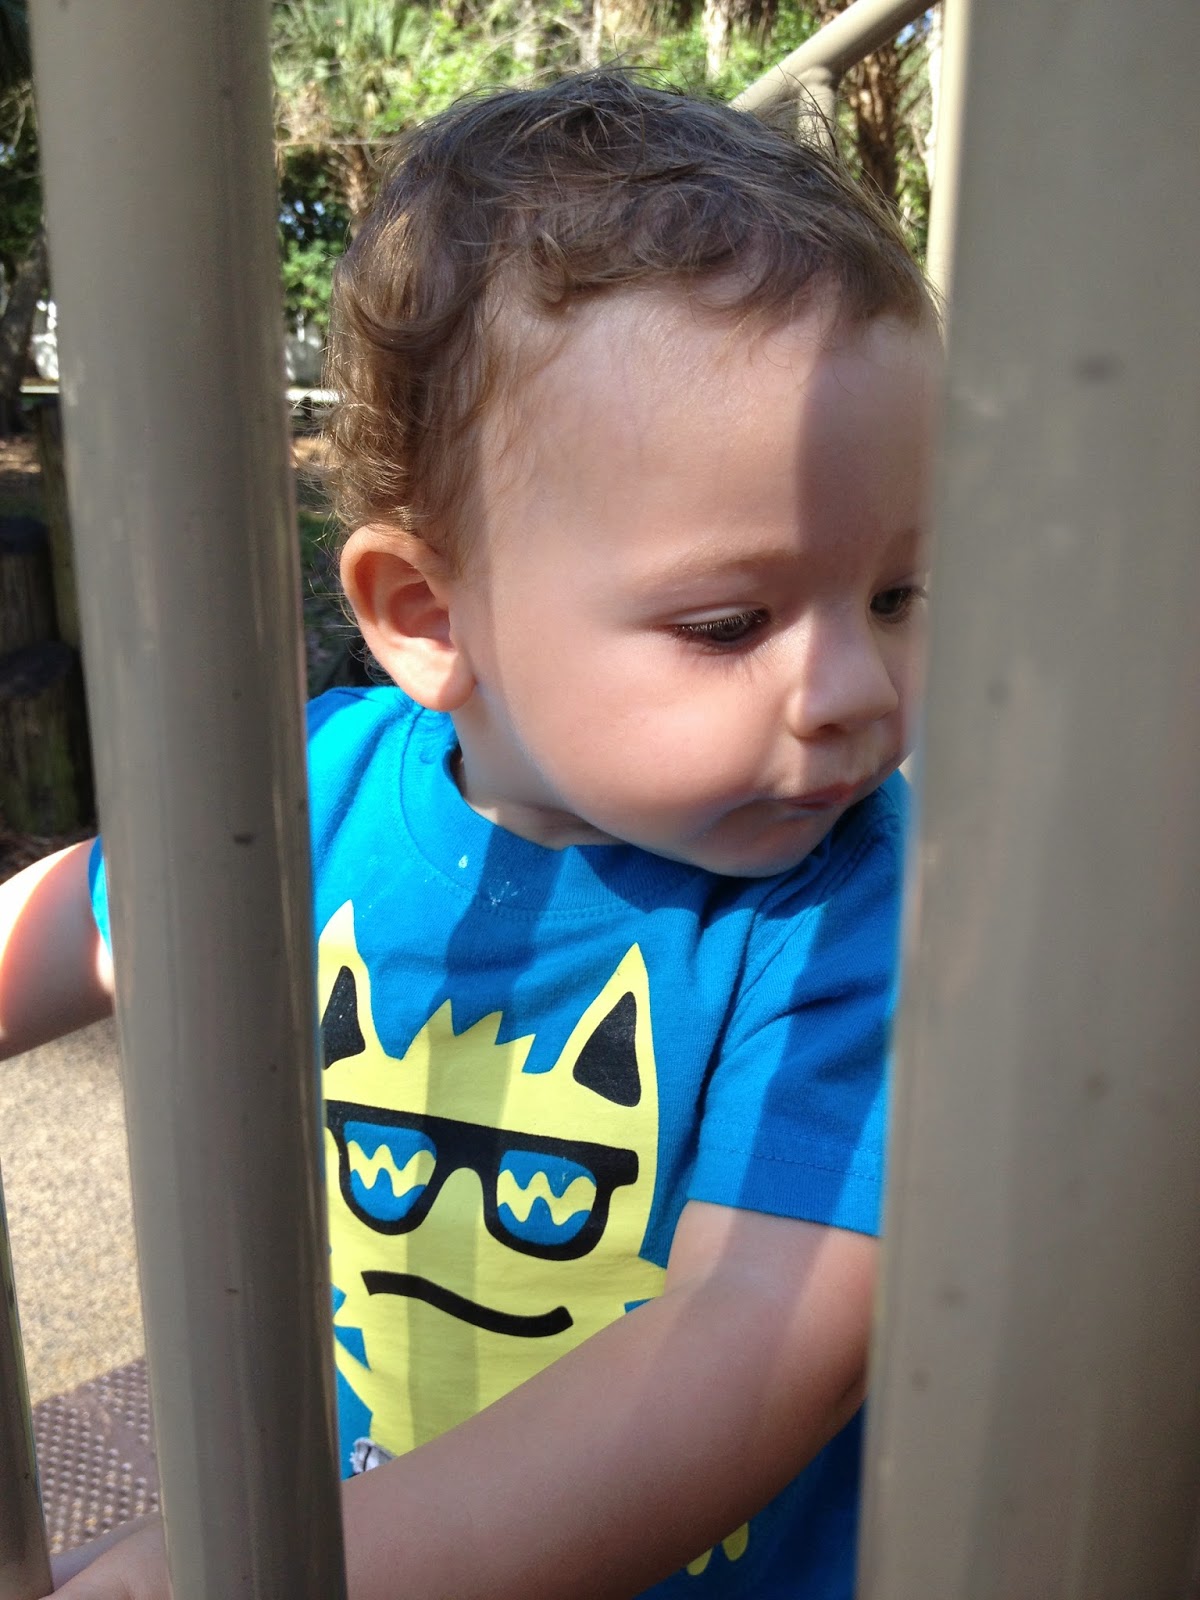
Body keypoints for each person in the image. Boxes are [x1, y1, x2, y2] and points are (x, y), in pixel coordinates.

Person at [0, 71, 941, 1600]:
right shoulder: (308, 800)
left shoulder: (858, 906)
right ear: (432, 618)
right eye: (731, 621)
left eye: (897, 594)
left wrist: (222, 1574)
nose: (858, 691)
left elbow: (753, 1351)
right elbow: (69, 921)